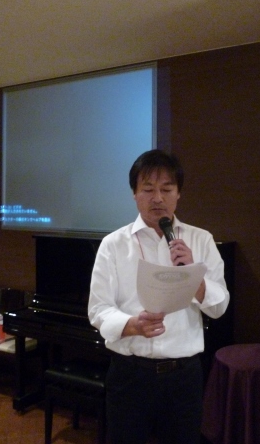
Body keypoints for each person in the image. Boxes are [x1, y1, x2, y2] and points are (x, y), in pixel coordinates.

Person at [88, 149, 230, 444]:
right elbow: (98, 309)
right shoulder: (113, 244)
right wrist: (131, 325)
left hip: (183, 377)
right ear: (134, 194)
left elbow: (219, 307)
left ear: (178, 194)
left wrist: (194, 276)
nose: (157, 198)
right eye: (148, 189)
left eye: (166, 189)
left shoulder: (200, 240)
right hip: (129, 374)